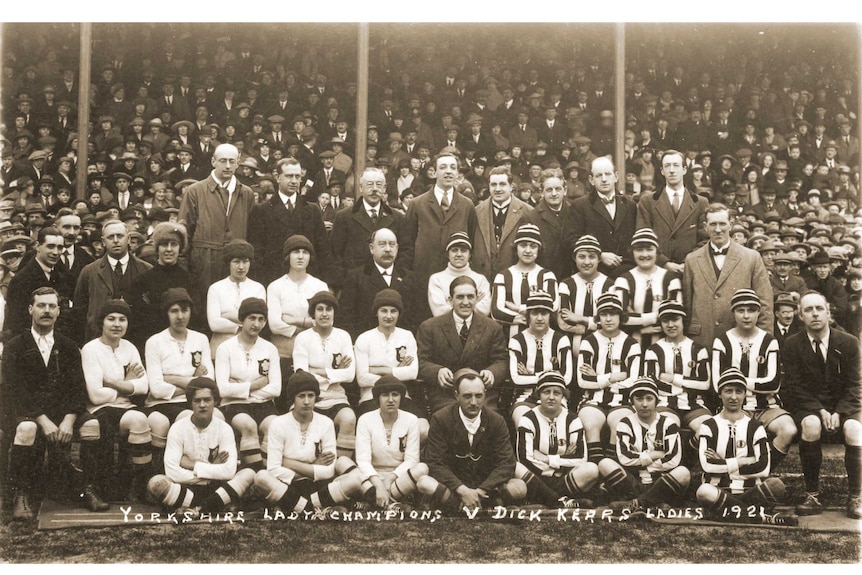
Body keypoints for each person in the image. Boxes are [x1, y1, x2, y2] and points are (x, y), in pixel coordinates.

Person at [3, 287, 87, 519]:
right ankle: (21, 494)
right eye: (41, 305)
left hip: (61, 411)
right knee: (27, 429)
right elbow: (14, 391)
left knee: (92, 426)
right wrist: (41, 419)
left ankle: (87, 487)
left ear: (59, 311)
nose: (46, 311)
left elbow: (77, 388)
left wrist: (69, 419)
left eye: (52, 306)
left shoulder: (69, 346)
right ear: (31, 309)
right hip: (25, 412)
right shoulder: (15, 346)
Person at [784, 291, 861, 520]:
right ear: (800, 315)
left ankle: (856, 496)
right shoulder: (792, 344)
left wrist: (839, 412)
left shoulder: (849, 342)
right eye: (808, 310)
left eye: (819, 308)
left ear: (829, 312)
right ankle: (812, 494)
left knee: (855, 429)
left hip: (845, 406)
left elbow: (857, 385)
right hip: (809, 406)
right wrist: (819, 410)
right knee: (810, 425)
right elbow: (794, 387)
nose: (814, 314)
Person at [695, 367, 797, 525]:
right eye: (728, 391)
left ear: (745, 394)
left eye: (739, 391)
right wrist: (743, 461)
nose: (734, 397)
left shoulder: (755, 427)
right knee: (704, 492)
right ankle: (760, 517)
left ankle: (726, 512)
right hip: (719, 490)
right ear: (720, 393)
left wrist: (725, 464)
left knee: (777, 485)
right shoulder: (708, 425)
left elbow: (763, 467)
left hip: (750, 491)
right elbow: (707, 465)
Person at [252, 370, 362, 514]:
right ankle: (318, 507)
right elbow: (273, 469)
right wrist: (312, 466)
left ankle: (298, 507)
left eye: (311, 395)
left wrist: (288, 463)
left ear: (316, 397)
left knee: (355, 480)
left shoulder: (326, 423)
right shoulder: (278, 424)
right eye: (301, 396)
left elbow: (329, 471)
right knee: (261, 477)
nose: (306, 401)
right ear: (292, 398)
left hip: (318, 485)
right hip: (288, 485)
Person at [418, 368, 526, 511]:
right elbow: (434, 462)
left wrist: (481, 490)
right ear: (457, 396)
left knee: (520, 487)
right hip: (454, 487)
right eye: (467, 396)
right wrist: (462, 490)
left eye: (478, 396)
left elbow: (506, 462)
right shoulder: (441, 419)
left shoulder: (496, 421)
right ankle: (467, 505)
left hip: (485, 488)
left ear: (485, 395)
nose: (474, 402)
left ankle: (472, 504)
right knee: (424, 483)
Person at [79, 300, 152, 509]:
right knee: (100, 426)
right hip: (99, 410)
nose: (117, 324)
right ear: (102, 322)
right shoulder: (91, 349)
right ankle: (95, 487)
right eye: (111, 319)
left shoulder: (129, 348)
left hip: (125, 407)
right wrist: (126, 384)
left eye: (122, 319)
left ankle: (139, 484)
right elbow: (95, 395)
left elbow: (144, 386)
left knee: (140, 420)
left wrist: (111, 382)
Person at [712, 288, 795, 471]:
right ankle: (735, 476)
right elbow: (717, 383)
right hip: (735, 406)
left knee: (788, 430)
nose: (746, 316)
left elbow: (773, 383)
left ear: (759, 312)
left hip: (766, 406)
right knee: (734, 435)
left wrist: (737, 381)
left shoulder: (769, 341)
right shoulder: (722, 342)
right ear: (733, 313)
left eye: (751, 310)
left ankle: (762, 470)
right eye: (741, 310)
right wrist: (753, 383)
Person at [146, 377, 255, 516]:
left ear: (215, 401)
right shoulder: (178, 428)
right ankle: (214, 506)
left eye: (207, 400)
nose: (202, 405)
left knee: (249, 474)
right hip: (187, 487)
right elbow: (172, 471)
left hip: (217, 487)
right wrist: (211, 469)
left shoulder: (224, 429)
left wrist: (193, 465)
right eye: (197, 400)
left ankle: (197, 509)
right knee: (156, 483)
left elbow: (229, 471)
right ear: (190, 403)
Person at [398, 152, 478, 322]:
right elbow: (407, 243)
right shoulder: (417, 204)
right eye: (443, 167)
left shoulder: (467, 205)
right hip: (423, 278)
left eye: (453, 167)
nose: (448, 172)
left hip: (457, 279)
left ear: (457, 173)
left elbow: (472, 241)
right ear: (434, 172)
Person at [682, 203, 773, 348]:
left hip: (740, 340)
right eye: (713, 224)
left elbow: (765, 304)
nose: (718, 230)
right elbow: (687, 304)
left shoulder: (751, 257)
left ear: (730, 224)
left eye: (722, 224)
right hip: (701, 340)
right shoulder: (692, 260)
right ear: (705, 226)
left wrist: (763, 343)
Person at [144, 288, 214, 474]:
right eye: (174, 311)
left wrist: (171, 378)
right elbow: (157, 388)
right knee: (171, 420)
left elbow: (209, 383)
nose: (180, 316)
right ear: (166, 313)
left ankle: (203, 474)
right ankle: (160, 475)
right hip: (162, 403)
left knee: (209, 418)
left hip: (193, 402)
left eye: (184, 310)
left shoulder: (200, 339)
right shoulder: (155, 342)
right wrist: (194, 381)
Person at [178, 143, 255, 310]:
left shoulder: (246, 193)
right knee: (205, 309)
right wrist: (185, 270)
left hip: (235, 264)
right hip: (204, 262)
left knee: (233, 309)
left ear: (238, 162)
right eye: (222, 160)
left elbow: (251, 232)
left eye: (232, 161)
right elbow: (183, 235)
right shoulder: (195, 191)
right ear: (213, 161)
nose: (227, 166)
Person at [417, 276, 508, 415]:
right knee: (447, 418)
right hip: (446, 395)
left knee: (490, 419)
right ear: (450, 300)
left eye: (470, 297)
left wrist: (492, 372)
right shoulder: (430, 327)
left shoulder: (492, 327)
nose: (465, 302)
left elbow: (501, 360)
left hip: (481, 396)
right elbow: (421, 361)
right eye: (460, 297)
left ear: (477, 298)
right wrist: (437, 371)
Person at [601, 377, 692, 513]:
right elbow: (625, 458)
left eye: (649, 399)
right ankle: (654, 503)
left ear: (656, 400)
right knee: (605, 463)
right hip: (634, 482)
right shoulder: (625, 423)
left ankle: (638, 503)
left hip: (659, 482)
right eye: (639, 399)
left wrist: (641, 461)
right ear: (632, 401)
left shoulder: (668, 424)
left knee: (683, 473)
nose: (644, 404)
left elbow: (673, 459)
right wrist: (653, 455)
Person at [513, 371, 601, 509]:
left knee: (591, 469)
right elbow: (524, 458)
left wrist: (548, 459)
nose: (551, 397)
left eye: (557, 393)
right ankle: (559, 500)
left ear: (563, 396)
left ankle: (543, 497)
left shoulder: (572, 419)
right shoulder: (527, 419)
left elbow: (581, 459)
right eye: (546, 392)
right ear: (538, 394)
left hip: (561, 477)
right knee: (516, 467)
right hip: (538, 476)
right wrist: (562, 460)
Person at [214, 297, 281, 471]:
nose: (256, 324)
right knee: (248, 425)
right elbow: (223, 389)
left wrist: (240, 387)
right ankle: (254, 475)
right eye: (252, 318)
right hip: (234, 405)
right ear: (242, 319)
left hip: (263, 404)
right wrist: (254, 385)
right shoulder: (225, 348)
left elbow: (276, 388)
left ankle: (270, 474)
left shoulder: (270, 349)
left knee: (275, 426)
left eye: (261, 319)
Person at [248, 157, 333, 287]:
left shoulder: (312, 210)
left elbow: (323, 250)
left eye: (297, 177)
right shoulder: (262, 210)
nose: (294, 181)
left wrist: (326, 283)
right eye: (289, 176)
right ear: (277, 177)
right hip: (273, 279)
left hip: (306, 279)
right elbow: (257, 252)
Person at [576, 292, 640, 463]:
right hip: (591, 401)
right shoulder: (589, 342)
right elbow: (582, 381)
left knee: (619, 423)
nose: (608, 319)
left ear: (621, 316)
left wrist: (597, 378)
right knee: (590, 423)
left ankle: (610, 472)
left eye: (613, 314)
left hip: (622, 401)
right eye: (604, 314)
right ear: (598, 317)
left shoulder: (631, 344)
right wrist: (613, 377)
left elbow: (633, 382)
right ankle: (594, 470)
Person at [353, 289, 427, 435]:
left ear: (399, 313)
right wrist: (397, 371)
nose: (388, 316)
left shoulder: (406, 336)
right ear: (376, 312)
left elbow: (412, 372)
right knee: (379, 433)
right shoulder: (364, 338)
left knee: (423, 429)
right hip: (371, 398)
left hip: (401, 397)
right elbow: (362, 378)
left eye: (393, 311)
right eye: (383, 311)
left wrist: (377, 369)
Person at [292, 290, 356, 458]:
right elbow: (301, 375)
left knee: (348, 418)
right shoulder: (303, 338)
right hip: (310, 398)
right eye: (320, 309)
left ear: (334, 312)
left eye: (329, 309)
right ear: (313, 313)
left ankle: (341, 465)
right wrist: (334, 373)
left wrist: (317, 371)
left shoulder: (343, 336)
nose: (325, 313)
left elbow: (350, 375)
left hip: (336, 397)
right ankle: (308, 462)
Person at [353, 376, 433, 510]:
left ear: (401, 397)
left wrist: (390, 479)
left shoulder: (411, 420)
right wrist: (378, 484)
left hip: (398, 478)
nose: (390, 400)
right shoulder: (365, 419)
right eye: (385, 395)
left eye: (395, 395)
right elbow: (363, 460)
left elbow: (412, 459)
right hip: (372, 478)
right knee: (349, 468)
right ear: (378, 398)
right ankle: (391, 502)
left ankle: (375, 502)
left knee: (421, 468)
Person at [642, 300, 712, 451]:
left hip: (694, 404)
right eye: (666, 320)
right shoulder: (654, 350)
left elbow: (705, 383)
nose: (671, 325)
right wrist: (687, 385)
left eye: (675, 319)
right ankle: (676, 463)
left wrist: (674, 379)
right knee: (668, 428)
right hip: (665, 403)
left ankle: (688, 455)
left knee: (709, 430)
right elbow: (652, 382)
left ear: (683, 321)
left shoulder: (698, 350)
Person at [267, 235, 329, 402]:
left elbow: (324, 322)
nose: (301, 256)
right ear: (288, 256)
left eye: (305, 252)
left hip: (312, 354)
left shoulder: (320, 286)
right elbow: (274, 325)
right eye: (296, 252)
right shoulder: (275, 287)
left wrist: (293, 320)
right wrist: (309, 323)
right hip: (283, 354)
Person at [74, 219, 153, 342]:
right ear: (103, 242)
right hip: (99, 341)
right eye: (110, 237)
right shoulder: (89, 272)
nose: (116, 240)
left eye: (120, 236)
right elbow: (79, 311)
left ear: (128, 239)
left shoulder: (146, 270)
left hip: (136, 341)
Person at [635, 150, 708, 273]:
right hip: (658, 270)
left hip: (690, 270)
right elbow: (643, 237)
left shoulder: (700, 202)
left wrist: (688, 262)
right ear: (662, 171)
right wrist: (664, 262)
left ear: (684, 170)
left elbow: (705, 240)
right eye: (667, 166)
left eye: (676, 165)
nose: (672, 170)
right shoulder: (648, 201)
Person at [507, 291, 573, 426]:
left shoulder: (561, 339)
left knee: (558, 422)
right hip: (525, 396)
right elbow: (516, 378)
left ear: (550, 315)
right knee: (523, 421)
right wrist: (552, 374)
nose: (539, 318)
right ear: (528, 315)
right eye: (534, 313)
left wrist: (530, 375)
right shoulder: (517, 341)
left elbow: (566, 377)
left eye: (544, 313)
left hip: (555, 396)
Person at [331, 167, 403, 286]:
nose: (374, 189)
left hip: (388, 284)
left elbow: (405, 252)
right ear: (360, 188)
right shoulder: (344, 217)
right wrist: (342, 283)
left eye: (379, 185)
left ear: (384, 188)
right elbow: (336, 254)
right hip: (354, 285)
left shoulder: (397, 218)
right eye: (369, 184)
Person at [613, 228, 682, 349]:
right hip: (631, 346)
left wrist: (636, 319)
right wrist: (654, 319)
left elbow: (675, 316)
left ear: (657, 252)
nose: (644, 254)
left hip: (665, 347)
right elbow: (620, 317)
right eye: (639, 250)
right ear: (632, 252)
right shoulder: (624, 280)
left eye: (649, 249)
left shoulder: (670, 279)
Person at [338, 227, 412, 341]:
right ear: (372, 248)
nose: (388, 249)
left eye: (392, 245)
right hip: (366, 345)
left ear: (397, 248)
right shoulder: (356, 277)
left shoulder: (410, 278)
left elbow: (417, 317)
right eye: (382, 244)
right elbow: (346, 317)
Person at [569, 157, 638, 278]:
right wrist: (599, 255)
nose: (604, 179)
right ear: (591, 180)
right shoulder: (580, 205)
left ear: (616, 177)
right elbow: (573, 240)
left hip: (626, 273)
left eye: (608, 174)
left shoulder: (630, 205)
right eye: (599, 175)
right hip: (595, 272)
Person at [3, 226, 73, 340]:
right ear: (37, 246)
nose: (56, 252)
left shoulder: (62, 277)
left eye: (60, 248)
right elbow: (15, 324)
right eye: (50, 246)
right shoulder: (21, 280)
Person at [557, 235, 614, 375]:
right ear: (574, 258)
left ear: (599, 259)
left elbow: (612, 321)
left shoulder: (610, 285)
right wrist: (594, 324)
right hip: (573, 348)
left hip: (603, 346)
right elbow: (563, 322)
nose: (587, 262)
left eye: (592, 256)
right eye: (582, 256)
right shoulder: (566, 284)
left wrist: (580, 319)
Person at [127, 221, 190, 348]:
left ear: (180, 248)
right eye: (164, 245)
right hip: (151, 344)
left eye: (174, 244)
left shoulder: (189, 280)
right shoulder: (143, 280)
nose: (169, 249)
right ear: (157, 248)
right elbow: (137, 320)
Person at [491, 223, 558, 339]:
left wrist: (518, 309)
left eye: (533, 246)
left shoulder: (547, 275)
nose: (528, 250)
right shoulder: (503, 276)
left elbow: (553, 307)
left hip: (541, 337)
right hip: (510, 337)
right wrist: (527, 316)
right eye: (523, 245)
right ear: (516, 247)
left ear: (539, 249)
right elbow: (496, 311)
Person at [472, 166, 533, 282]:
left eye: (502, 184)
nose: (498, 189)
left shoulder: (527, 212)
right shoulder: (476, 211)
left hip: (515, 280)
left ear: (511, 187)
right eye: (493, 185)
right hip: (483, 279)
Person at [206, 239, 266, 356]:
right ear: (229, 263)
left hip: (249, 347)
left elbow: (260, 322)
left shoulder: (258, 288)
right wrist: (244, 324)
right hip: (220, 346)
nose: (241, 267)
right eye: (236, 262)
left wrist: (226, 315)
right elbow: (214, 323)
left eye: (245, 262)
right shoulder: (216, 288)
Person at [524, 168, 578, 280]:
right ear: (541, 192)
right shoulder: (531, 217)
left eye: (558, 189)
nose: (554, 194)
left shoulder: (575, 212)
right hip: (545, 279)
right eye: (549, 190)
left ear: (565, 190)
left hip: (573, 278)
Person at [427, 231, 492, 318]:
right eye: (454, 250)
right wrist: (473, 303)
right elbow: (439, 312)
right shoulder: (436, 279)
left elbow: (484, 311)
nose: (459, 254)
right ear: (448, 254)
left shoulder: (480, 279)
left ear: (469, 255)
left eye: (463, 250)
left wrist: (451, 305)